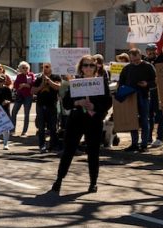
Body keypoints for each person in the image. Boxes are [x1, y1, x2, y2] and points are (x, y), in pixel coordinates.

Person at [48, 55, 113, 195]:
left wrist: (94, 106)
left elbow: (108, 103)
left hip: (94, 121)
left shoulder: (101, 83)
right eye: (85, 65)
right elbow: (66, 103)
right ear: (81, 68)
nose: (88, 68)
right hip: (76, 120)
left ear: (96, 68)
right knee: (68, 150)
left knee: (93, 152)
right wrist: (77, 103)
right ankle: (59, 179)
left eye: (91, 65)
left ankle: (93, 182)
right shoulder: (76, 83)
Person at [118, 48, 156, 153]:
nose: (135, 62)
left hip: (143, 96)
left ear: (140, 56)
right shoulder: (127, 68)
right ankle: (134, 144)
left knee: (144, 120)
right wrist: (122, 92)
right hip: (130, 96)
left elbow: (156, 81)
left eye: (137, 60)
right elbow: (121, 82)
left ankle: (144, 144)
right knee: (132, 120)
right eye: (133, 60)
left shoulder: (148, 67)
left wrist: (147, 84)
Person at [32, 62, 62, 152]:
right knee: (41, 128)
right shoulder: (39, 78)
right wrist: (41, 85)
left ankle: (53, 145)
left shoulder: (56, 77)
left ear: (51, 68)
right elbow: (33, 91)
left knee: (53, 127)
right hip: (40, 105)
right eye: (43, 67)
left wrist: (49, 81)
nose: (44, 68)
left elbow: (58, 87)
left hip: (51, 105)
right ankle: (42, 145)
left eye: (47, 67)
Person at [143, 44, 163, 148]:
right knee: (148, 116)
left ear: (156, 51)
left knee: (161, 115)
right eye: (149, 50)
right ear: (146, 51)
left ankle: (160, 138)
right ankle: (148, 138)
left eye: (153, 50)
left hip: (158, 92)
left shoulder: (160, 59)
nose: (151, 52)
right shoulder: (143, 61)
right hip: (146, 92)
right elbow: (132, 51)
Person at [10, 61, 34, 137]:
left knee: (26, 114)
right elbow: (16, 85)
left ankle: (24, 131)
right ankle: (12, 130)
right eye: (23, 68)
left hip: (28, 96)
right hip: (20, 96)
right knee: (14, 112)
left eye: (26, 68)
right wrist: (24, 85)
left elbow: (33, 84)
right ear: (20, 69)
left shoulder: (31, 75)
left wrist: (24, 85)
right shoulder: (19, 76)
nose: (25, 69)